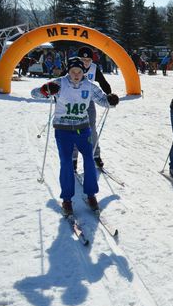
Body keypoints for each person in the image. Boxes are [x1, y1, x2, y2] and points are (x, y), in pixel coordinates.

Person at [30, 58, 119, 215]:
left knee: (90, 160)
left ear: (83, 72)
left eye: (79, 72)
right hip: (63, 130)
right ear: (68, 71)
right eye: (73, 72)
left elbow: (104, 101)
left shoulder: (90, 87)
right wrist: (45, 89)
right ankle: (67, 200)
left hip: (83, 129)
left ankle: (91, 195)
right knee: (66, 163)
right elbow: (34, 93)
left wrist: (111, 100)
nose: (76, 75)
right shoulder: (59, 83)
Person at [68, 46, 113, 171]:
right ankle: (73, 159)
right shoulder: (73, 68)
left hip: (89, 102)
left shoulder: (94, 69)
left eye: (88, 60)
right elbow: (61, 81)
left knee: (91, 128)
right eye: (83, 60)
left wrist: (109, 95)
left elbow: (103, 83)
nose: (86, 62)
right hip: (73, 104)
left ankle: (95, 154)